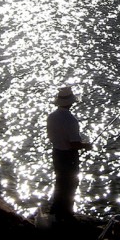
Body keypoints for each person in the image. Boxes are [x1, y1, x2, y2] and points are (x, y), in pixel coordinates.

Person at [46, 86, 92, 220]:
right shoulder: (71, 120)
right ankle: (66, 214)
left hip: (57, 153)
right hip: (68, 156)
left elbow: (50, 136)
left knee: (60, 182)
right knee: (71, 184)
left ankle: (56, 210)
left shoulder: (52, 116)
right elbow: (74, 144)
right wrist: (86, 146)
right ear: (70, 102)